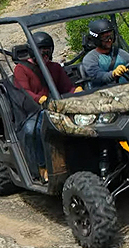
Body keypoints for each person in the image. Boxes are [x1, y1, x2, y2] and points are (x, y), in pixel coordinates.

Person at [13, 31, 80, 182]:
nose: (45, 53)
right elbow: (24, 92)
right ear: (32, 50)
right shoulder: (21, 69)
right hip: (32, 111)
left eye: (47, 50)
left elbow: (67, 87)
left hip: (54, 106)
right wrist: (39, 99)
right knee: (32, 130)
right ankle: (41, 167)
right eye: (41, 50)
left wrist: (77, 91)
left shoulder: (55, 67)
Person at [82, 18, 129, 88]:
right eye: (105, 37)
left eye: (111, 36)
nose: (109, 40)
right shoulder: (90, 59)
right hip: (102, 94)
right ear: (96, 39)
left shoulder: (122, 53)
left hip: (128, 90)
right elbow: (98, 76)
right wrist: (113, 74)